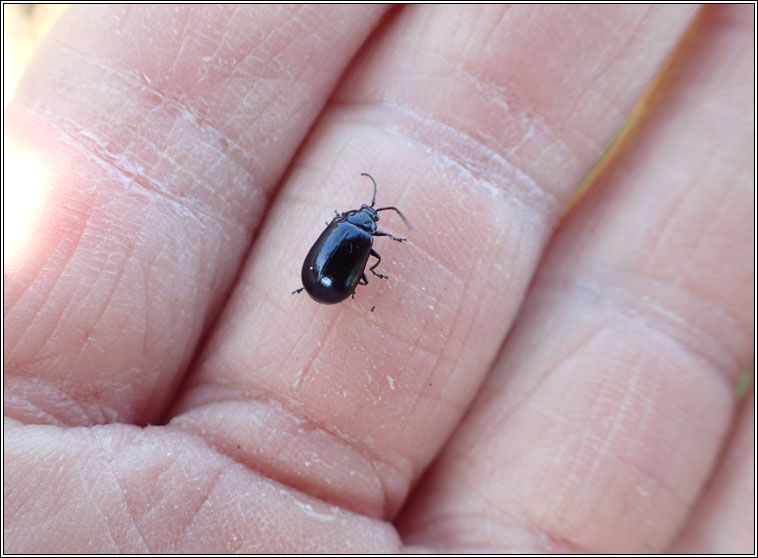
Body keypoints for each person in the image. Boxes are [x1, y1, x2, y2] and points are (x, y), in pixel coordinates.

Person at [3, 4, 753, 553]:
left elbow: (342, 261)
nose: (365, 220)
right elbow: (346, 260)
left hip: (322, 279)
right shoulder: (357, 230)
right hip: (323, 279)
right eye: (367, 217)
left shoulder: (353, 229)